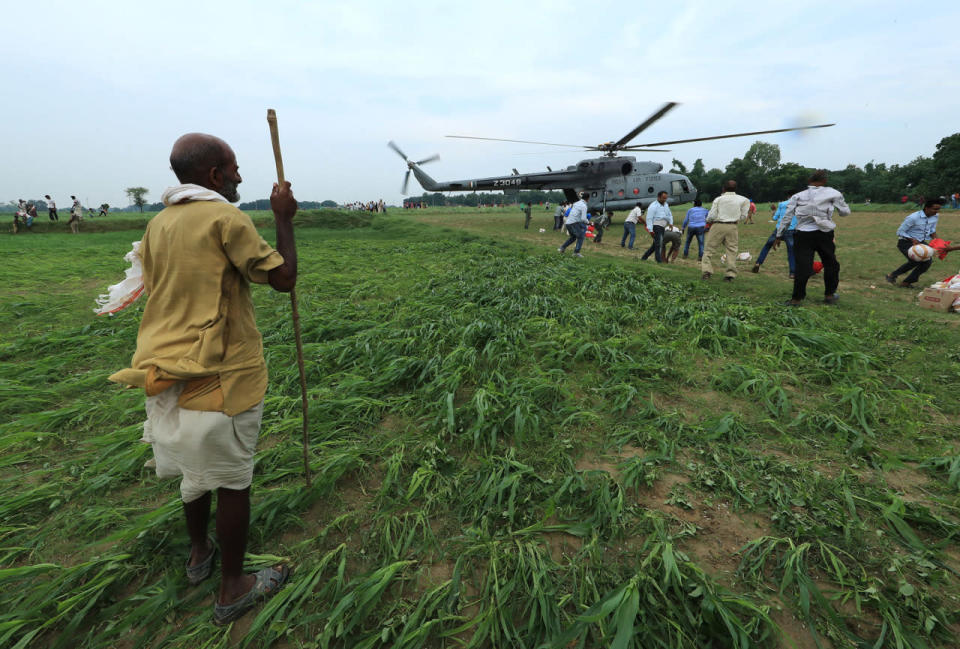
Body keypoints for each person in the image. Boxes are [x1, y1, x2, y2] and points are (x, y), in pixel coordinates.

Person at [109, 133, 296, 625]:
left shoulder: (159, 223)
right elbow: (283, 279)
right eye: (233, 169)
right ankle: (233, 588)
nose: (238, 176)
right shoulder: (225, 217)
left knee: (195, 472)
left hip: (164, 366)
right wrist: (282, 217)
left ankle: (198, 553)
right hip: (221, 369)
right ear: (214, 174)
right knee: (232, 480)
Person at [777, 170, 850, 306]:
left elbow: (787, 216)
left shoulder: (798, 196)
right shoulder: (833, 193)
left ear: (809, 182)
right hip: (824, 234)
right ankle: (829, 295)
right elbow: (845, 212)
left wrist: (779, 234)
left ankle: (796, 299)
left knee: (802, 267)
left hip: (803, 234)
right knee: (831, 264)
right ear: (824, 181)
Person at [885, 198, 944, 287]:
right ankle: (893, 276)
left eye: (938, 209)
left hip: (920, 242)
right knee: (916, 260)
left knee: (927, 262)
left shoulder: (935, 216)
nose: (937, 211)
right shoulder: (913, 217)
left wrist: (938, 242)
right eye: (935, 209)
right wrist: (912, 239)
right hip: (905, 242)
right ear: (927, 208)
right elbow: (900, 232)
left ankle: (906, 282)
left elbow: (932, 230)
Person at [701, 181, 749, 281]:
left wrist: (708, 221)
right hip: (733, 226)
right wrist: (733, 218)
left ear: (723, 188)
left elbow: (712, 215)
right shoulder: (744, 200)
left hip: (718, 225)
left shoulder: (719, 199)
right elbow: (744, 216)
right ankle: (730, 275)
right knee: (732, 251)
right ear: (736, 189)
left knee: (709, 250)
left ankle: (706, 272)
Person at [753, 200, 796, 277]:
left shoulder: (782, 204)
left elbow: (775, 218)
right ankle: (792, 273)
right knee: (791, 251)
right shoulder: (798, 204)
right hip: (791, 230)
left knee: (767, 245)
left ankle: (758, 263)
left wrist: (773, 210)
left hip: (779, 229)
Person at [641, 191, 672, 263]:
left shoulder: (666, 205)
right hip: (656, 226)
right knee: (659, 243)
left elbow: (669, 214)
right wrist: (650, 230)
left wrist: (670, 223)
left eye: (666, 198)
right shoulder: (653, 206)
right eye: (663, 198)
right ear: (658, 197)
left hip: (662, 226)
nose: (664, 200)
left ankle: (644, 258)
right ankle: (658, 260)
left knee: (655, 245)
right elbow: (649, 218)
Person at [559, 192, 590, 257]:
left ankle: (562, 248)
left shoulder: (576, 203)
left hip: (568, 222)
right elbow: (583, 219)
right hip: (574, 223)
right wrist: (589, 222)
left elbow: (576, 214)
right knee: (581, 237)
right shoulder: (584, 206)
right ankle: (576, 252)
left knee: (573, 237)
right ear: (588, 199)